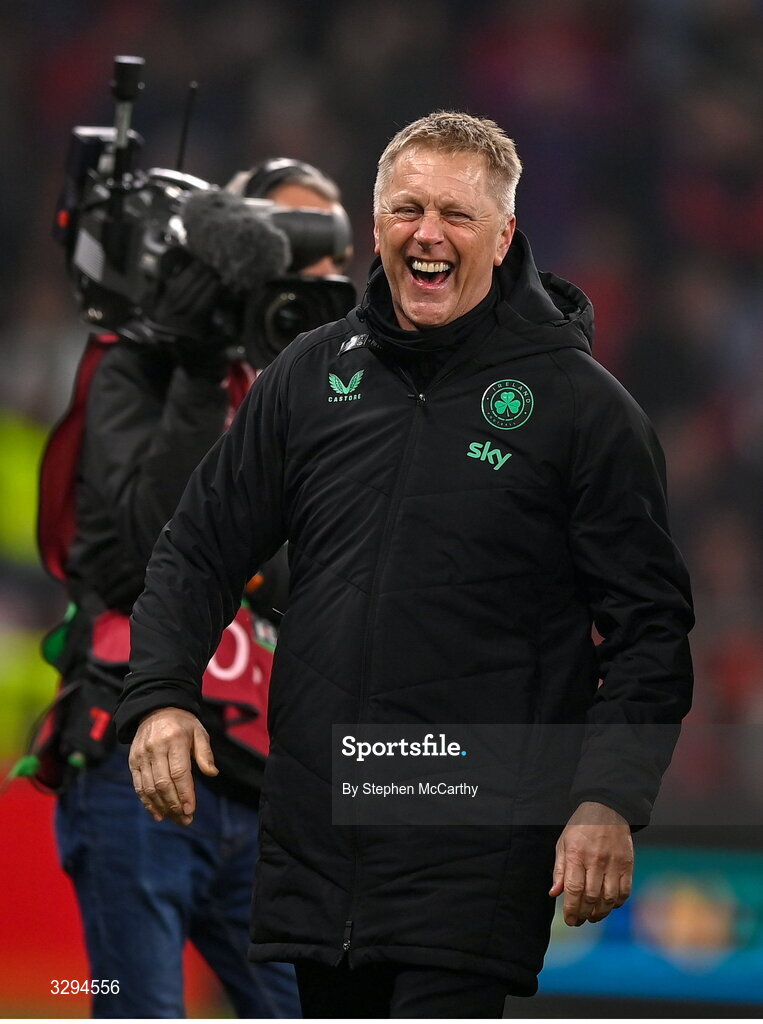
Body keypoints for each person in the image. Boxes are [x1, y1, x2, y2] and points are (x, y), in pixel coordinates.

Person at [114, 112, 694, 1019]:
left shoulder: (585, 411)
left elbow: (649, 629)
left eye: (457, 216)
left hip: (472, 846)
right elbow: (196, 547)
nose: (427, 234)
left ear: (504, 238)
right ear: (377, 222)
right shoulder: (307, 377)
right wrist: (159, 694)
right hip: (317, 839)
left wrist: (607, 801)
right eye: (406, 209)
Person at [40, 158, 354, 1018]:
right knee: (134, 1006)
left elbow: (317, 581)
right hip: (132, 763)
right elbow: (140, 562)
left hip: (261, 785)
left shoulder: (320, 404)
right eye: (287, 239)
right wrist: (198, 366)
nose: (314, 269)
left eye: (331, 252)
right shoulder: (133, 359)